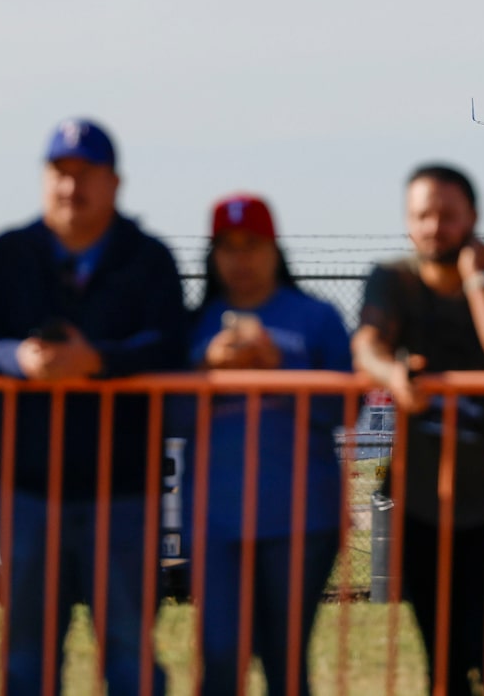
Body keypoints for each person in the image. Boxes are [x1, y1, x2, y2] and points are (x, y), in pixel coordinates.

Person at [0, 117, 186, 696]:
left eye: (85, 174)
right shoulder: (9, 253)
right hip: (30, 486)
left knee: (127, 655)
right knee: (26, 658)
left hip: (124, 491)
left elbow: (168, 344)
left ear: (115, 183)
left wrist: (98, 360)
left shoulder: (149, 259)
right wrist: (21, 358)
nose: (71, 187)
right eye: (59, 173)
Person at [352, 163, 484, 696]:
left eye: (447, 215)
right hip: (422, 503)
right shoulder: (394, 279)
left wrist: (477, 280)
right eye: (422, 216)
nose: (434, 227)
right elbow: (367, 343)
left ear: (473, 218)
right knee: (442, 662)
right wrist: (395, 375)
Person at [187, 194, 349, 696]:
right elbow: (164, 416)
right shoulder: (192, 325)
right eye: (228, 247)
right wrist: (204, 371)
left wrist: (278, 367)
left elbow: (346, 409)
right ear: (212, 256)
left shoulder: (316, 318)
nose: (241, 258)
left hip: (302, 518)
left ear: (275, 249)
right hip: (215, 522)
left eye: (252, 245)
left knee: (284, 660)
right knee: (218, 660)